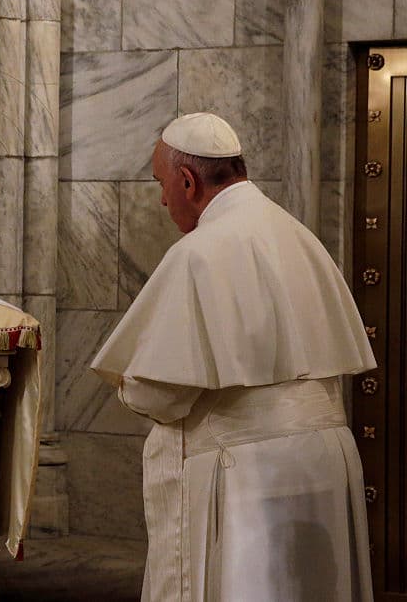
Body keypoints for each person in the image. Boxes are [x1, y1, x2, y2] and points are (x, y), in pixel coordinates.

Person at [89, 112, 375, 602]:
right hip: (326, 461)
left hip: (245, 472)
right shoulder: (301, 236)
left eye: (162, 184)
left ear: (187, 180)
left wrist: (128, 383)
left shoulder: (199, 252)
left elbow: (163, 393)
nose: (161, 199)